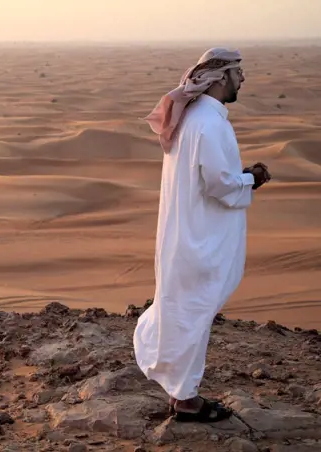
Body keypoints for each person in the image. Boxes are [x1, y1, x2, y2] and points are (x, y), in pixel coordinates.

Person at [133, 48, 271, 423]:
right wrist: (251, 178)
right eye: (238, 73)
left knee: (186, 309)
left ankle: (180, 390)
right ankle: (187, 400)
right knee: (194, 311)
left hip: (187, 233)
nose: (242, 79)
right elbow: (218, 184)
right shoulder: (209, 124)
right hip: (200, 239)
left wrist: (237, 175)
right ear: (221, 78)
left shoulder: (193, 118)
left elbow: (209, 176)